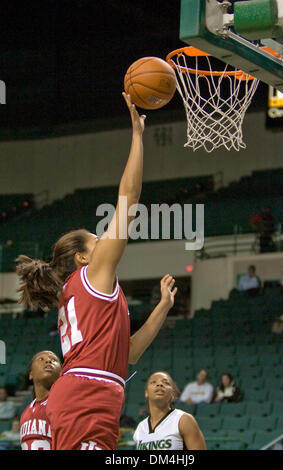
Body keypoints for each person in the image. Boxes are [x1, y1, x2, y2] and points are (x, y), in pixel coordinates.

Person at [16, 93, 177, 450]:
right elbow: (128, 198)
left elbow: (129, 353)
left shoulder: (89, 291)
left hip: (93, 393)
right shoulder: (91, 278)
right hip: (86, 394)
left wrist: (163, 306)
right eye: (97, 237)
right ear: (82, 258)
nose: (105, 238)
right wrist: (137, 136)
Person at [133, 371, 206, 450]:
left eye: (166, 383)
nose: (159, 384)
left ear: (173, 394)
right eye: (153, 382)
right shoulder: (140, 428)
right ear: (146, 392)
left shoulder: (183, 420)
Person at [19, 350, 61, 450]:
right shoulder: (25, 413)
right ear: (31, 374)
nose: (48, 361)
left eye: (54, 360)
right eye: (41, 359)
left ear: (61, 373)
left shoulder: (64, 404)